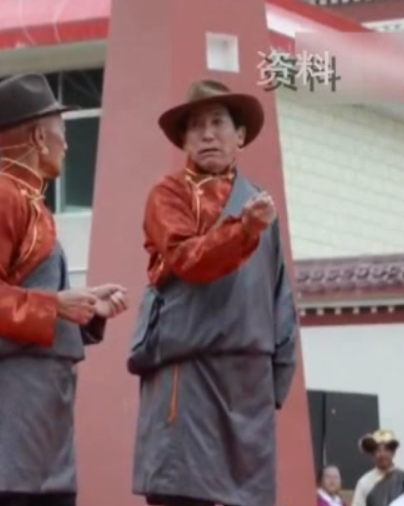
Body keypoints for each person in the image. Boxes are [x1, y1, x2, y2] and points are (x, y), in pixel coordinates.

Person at [0, 73, 130, 506]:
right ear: (40, 137)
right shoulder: (3, 197)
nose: (67, 144)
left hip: (37, 417)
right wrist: (55, 304)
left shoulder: (28, 202)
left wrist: (86, 307)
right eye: (62, 132)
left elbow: (29, 296)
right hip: (12, 419)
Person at [126, 79, 299, 506]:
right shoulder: (169, 195)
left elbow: (279, 295)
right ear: (184, 140)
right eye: (196, 126)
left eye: (218, 122)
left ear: (240, 135)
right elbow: (188, 259)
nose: (207, 134)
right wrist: (243, 231)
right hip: (189, 375)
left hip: (248, 387)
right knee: (182, 494)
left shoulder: (259, 204)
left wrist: (277, 378)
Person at [352, 429, 404, 506]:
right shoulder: (365, 482)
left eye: (386, 450)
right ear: (372, 454)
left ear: (393, 452)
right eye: (378, 450)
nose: (382, 454)